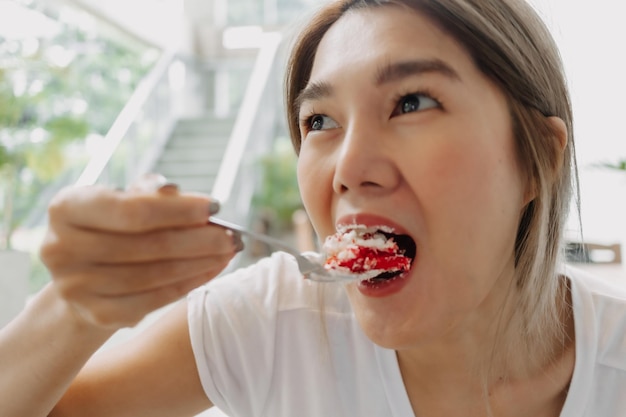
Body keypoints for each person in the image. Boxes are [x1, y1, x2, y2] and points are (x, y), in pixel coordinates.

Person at [1, 0, 625, 416]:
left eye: (412, 102)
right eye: (319, 120)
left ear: (538, 158)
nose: (348, 169)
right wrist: (73, 310)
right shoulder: (274, 321)